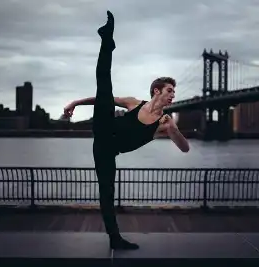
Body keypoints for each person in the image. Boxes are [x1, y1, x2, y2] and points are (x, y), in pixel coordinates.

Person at [63, 11, 190, 250]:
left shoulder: (164, 121)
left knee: (106, 194)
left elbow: (185, 149)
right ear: (156, 91)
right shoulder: (134, 103)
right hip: (104, 126)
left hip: (106, 150)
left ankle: (115, 239)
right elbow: (104, 98)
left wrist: (174, 130)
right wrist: (74, 103)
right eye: (170, 90)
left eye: (174, 91)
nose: (173, 95)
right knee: (104, 85)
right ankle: (107, 41)